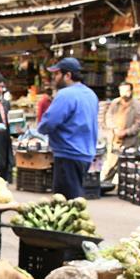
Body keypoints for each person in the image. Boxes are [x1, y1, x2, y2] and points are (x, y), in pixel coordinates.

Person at [37, 57, 98, 199]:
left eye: (57, 74)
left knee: (66, 203)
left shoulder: (66, 94)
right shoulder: (90, 94)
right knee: (74, 196)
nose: (54, 78)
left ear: (68, 75)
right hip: (85, 153)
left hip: (68, 154)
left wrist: (40, 129)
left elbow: (49, 122)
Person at [101, 82, 140, 183]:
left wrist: (126, 132)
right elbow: (109, 117)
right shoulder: (115, 103)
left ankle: (127, 185)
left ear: (131, 91)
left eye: (127, 90)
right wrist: (115, 129)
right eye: (122, 90)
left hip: (130, 139)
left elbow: (139, 122)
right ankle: (107, 183)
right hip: (115, 138)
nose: (124, 93)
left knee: (129, 164)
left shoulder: (137, 105)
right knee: (111, 163)